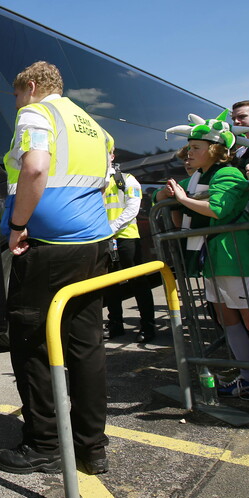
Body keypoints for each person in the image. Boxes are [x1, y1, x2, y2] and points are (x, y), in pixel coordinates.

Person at [0, 61, 112, 476]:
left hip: (48, 247)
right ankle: (91, 446)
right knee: (85, 343)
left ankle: (43, 444)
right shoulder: (92, 125)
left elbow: (36, 167)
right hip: (93, 244)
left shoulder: (36, 112)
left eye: (15, 94)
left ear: (29, 86)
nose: (16, 103)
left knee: (30, 343)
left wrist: (17, 226)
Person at [166, 114, 249, 418]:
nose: (189, 152)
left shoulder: (228, 173)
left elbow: (218, 209)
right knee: (227, 318)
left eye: (196, 147)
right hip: (212, 256)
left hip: (234, 253)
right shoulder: (196, 178)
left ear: (215, 149)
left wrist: (181, 199)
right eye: (188, 147)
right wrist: (172, 198)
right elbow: (181, 215)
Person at [101, 135, 157, 343]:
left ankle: (148, 326)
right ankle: (115, 325)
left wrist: (113, 227)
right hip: (105, 239)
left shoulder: (126, 179)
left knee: (137, 283)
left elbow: (133, 207)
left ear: (112, 156)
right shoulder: (95, 181)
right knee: (110, 285)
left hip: (126, 238)